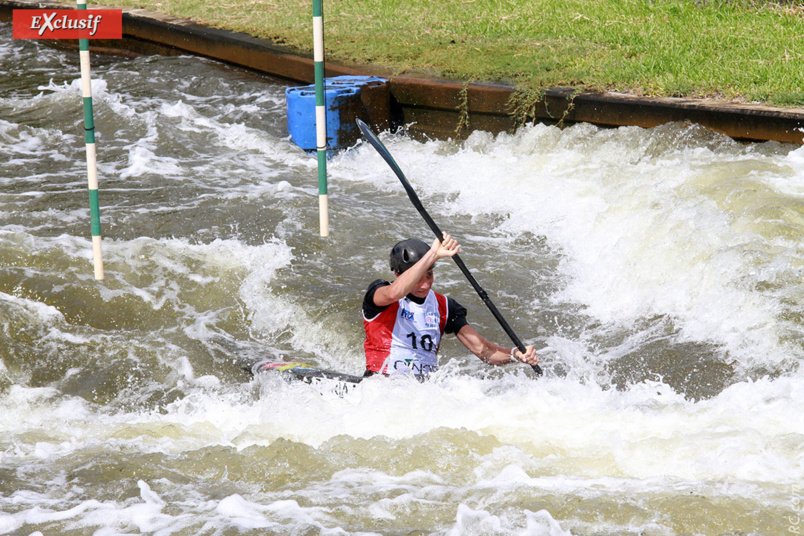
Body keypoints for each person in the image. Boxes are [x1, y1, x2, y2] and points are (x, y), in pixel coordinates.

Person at [362, 232, 539, 377]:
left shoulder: (446, 306)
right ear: (397, 274)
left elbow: (483, 350)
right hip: (381, 384)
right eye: (418, 277)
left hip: (422, 394)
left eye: (429, 275)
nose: (425, 284)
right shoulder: (379, 293)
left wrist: (515, 354)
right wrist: (433, 254)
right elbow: (395, 293)